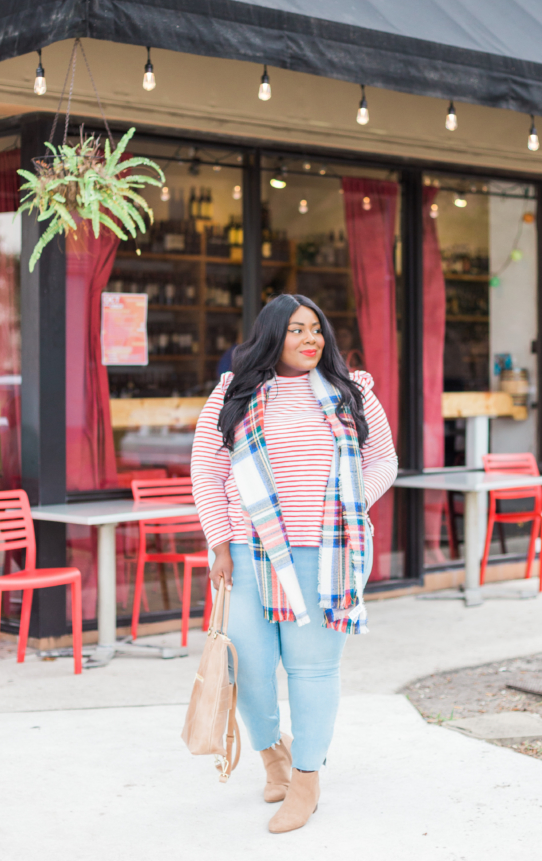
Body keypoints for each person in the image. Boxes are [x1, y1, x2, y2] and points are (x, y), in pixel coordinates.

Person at [191, 294, 397, 834]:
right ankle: (272, 756)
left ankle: (305, 780)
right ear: (271, 336)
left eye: (317, 330)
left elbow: (384, 460)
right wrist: (218, 544)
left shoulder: (353, 392)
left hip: (327, 553)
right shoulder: (233, 392)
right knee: (249, 668)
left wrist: (352, 505)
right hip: (246, 552)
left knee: (311, 670)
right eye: (297, 330)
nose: (311, 339)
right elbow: (207, 472)